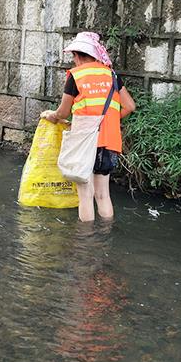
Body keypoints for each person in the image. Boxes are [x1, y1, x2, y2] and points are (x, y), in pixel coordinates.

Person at [41, 32, 136, 222]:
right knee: (103, 195)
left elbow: (63, 113)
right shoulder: (111, 74)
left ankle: (86, 243)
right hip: (109, 140)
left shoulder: (76, 76)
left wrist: (51, 116)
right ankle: (105, 236)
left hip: (85, 141)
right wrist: (107, 121)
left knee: (85, 195)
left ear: (77, 55)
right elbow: (130, 106)